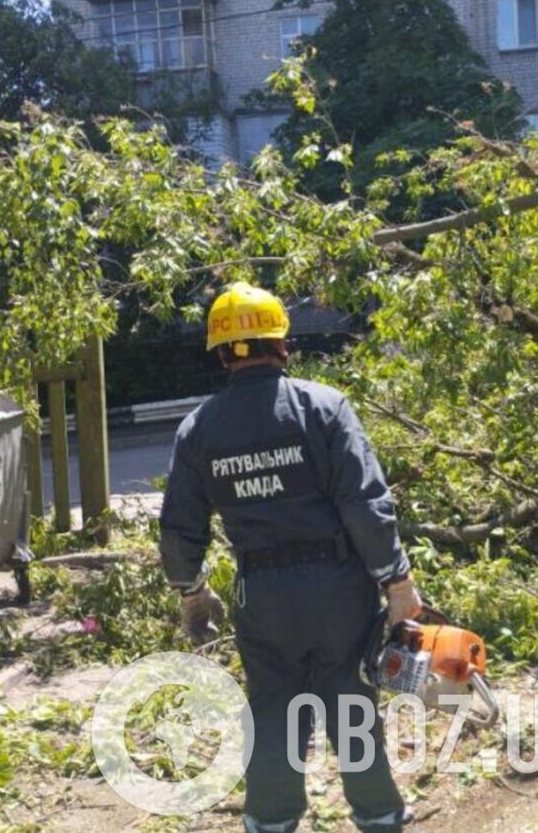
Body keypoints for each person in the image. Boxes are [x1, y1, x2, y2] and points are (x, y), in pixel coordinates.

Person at [159, 283, 420, 833]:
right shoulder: (323, 408)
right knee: (351, 704)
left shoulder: (198, 429)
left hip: (263, 596)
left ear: (224, 353)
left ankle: (272, 821)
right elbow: (363, 503)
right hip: (339, 590)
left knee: (275, 712)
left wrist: (191, 590)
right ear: (283, 344)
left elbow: (182, 526)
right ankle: (377, 815)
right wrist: (396, 581)